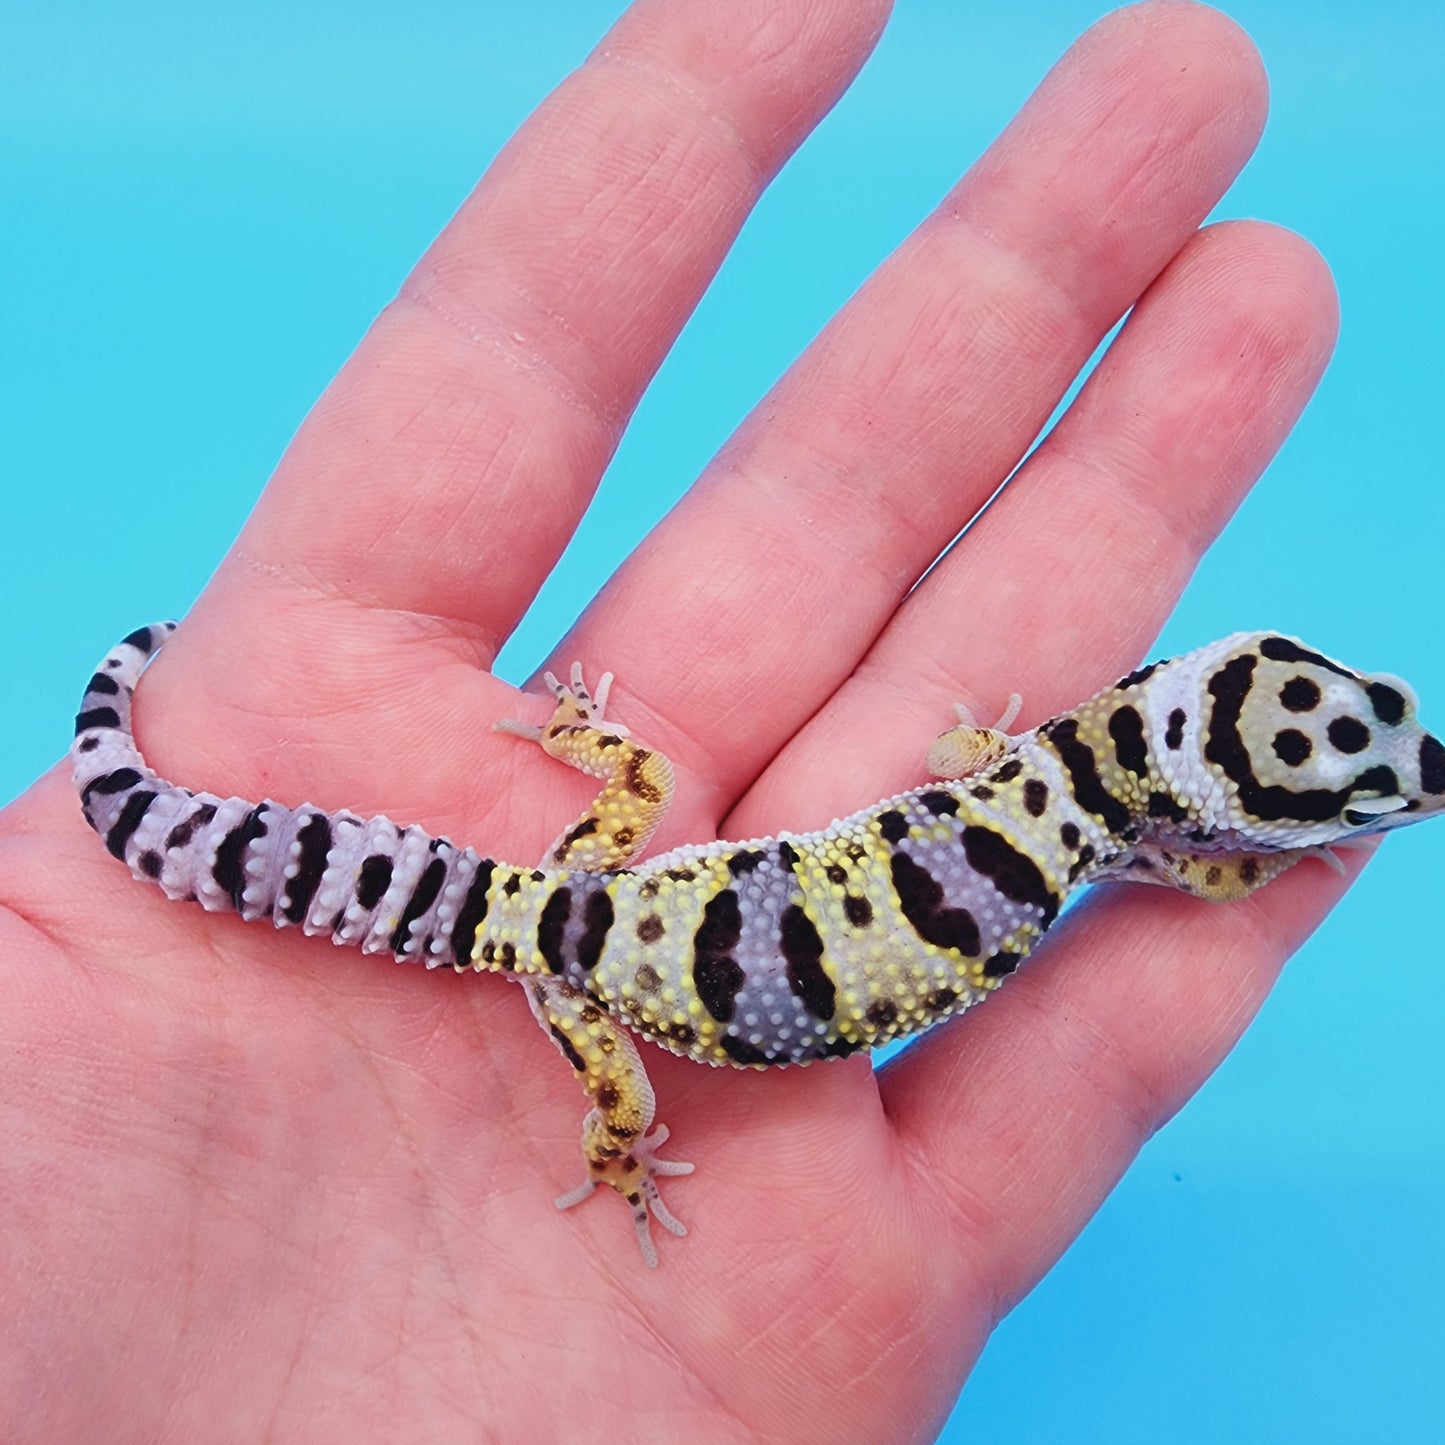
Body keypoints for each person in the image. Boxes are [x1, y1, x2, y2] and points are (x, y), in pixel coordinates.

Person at [1, 1, 1344, 1438]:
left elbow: (1006, 776)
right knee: (611, 1083)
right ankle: (137, 777)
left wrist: (593, 754)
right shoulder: (1118, 826)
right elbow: (1196, 866)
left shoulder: (1039, 776)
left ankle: (136, 759)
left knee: (603, 871)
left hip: (593, 895)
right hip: (590, 949)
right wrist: (1275, 851)